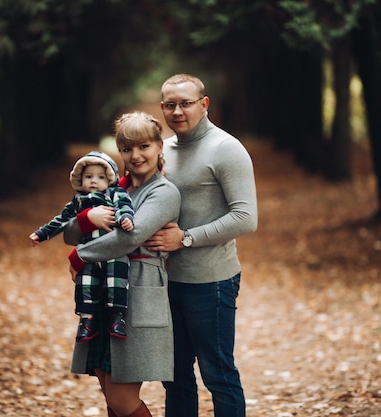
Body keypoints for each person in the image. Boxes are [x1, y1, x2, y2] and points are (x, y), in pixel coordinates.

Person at [144, 73, 258, 417]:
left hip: (212, 284)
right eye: (170, 105)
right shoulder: (162, 149)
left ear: (204, 104)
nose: (177, 111)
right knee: (175, 378)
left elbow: (245, 218)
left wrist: (187, 238)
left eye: (186, 103)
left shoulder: (226, 149)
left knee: (218, 374)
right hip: (166, 283)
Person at [63, 111, 181, 417]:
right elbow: (70, 233)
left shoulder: (164, 192)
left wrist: (80, 256)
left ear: (159, 146)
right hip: (105, 291)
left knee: (121, 397)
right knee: (108, 391)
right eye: (127, 149)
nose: (135, 155)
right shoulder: (113, 190)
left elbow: (131, 237)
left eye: (143, 146)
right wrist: (87, 217)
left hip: (138, 295)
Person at [29, 151, 135, 342]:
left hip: (114, 250)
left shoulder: (115, 193)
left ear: (110, 179)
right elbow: (61, 221)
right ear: (81, 180)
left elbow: (125, 207)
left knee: (116, 281)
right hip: (89, 253)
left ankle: (116, 317)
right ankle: (87, 320)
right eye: (89, 176)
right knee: (85, 282)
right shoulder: (77, 201)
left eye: (100, 177)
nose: (94, 181)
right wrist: (41, 233)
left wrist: (125, 218)